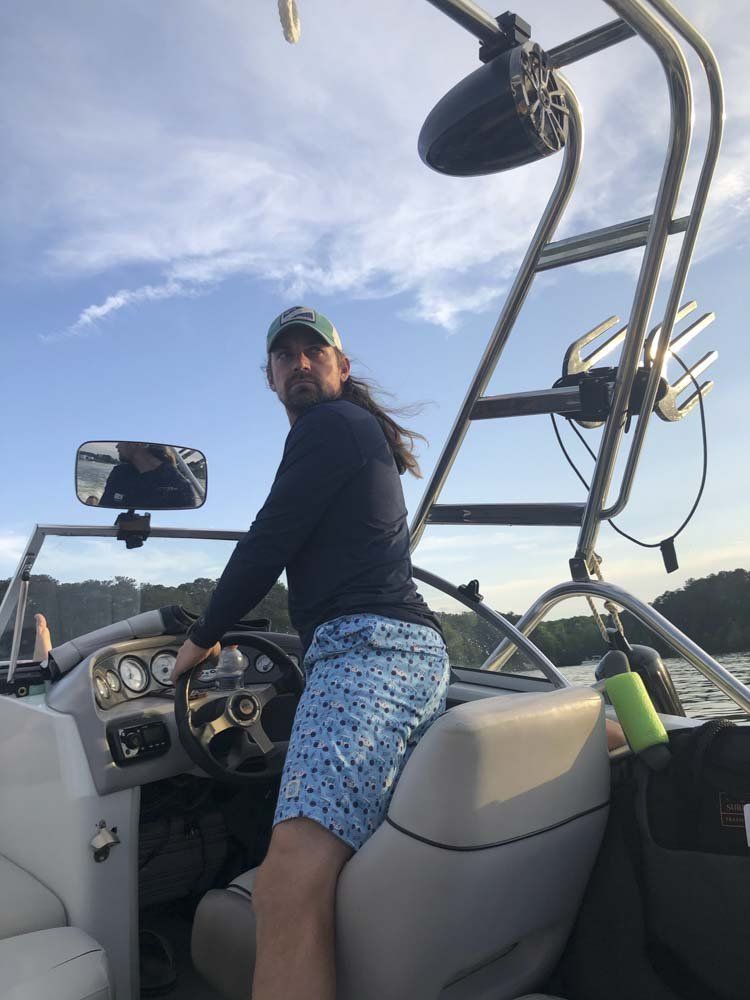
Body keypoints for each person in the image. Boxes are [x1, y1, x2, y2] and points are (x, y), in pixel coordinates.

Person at [171, 305, 450, 1000]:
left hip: (368, 650)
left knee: (285, 882)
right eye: (284, 355)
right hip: (397, 651)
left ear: (340, 367)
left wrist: (199, 640)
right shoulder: (351, 431)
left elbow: (270, 538)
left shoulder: (331, 425)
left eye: (312, 352)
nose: (298, 362)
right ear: (269, 377)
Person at [99, 442, 195, 509]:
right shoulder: (119, 473)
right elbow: (104, 506)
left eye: (121, 442)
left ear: (138, 444)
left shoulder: (180, 486)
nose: (117, 446)